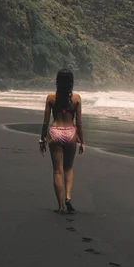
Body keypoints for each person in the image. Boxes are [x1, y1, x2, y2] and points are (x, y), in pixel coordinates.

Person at [39, 69, 85, 213]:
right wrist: (82, 141)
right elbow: (79, 123)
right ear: (71, 82)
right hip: (70, 133)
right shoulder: (77, 98)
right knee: (68, 168)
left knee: (57, 171)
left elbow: (46, 121)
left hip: (55, 132)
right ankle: (68, 197)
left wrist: (42, 139)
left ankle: (60, 206)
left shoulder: (51, 98)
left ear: (57, 81)